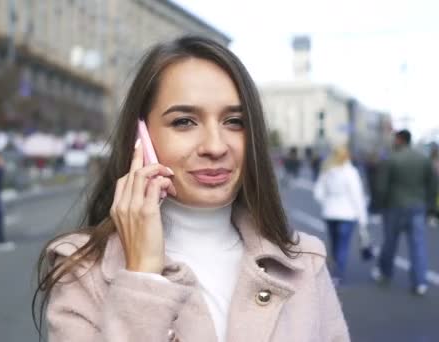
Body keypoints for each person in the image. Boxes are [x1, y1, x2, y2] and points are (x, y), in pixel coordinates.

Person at [32, 36, 348, 341]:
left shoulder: (305, 262)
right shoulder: (83, 271)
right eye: (184, 121)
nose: (215, 146)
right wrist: (143, 277)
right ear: (141, 136)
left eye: (234, 121)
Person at [372, 130, 437, 296]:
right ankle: (420, 282)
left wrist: (378, 206)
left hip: (394, 206)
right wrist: (429, 206)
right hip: (417, 206)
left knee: (390, 243)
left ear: (400, 140)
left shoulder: (392, 159)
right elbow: (432, 184)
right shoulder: (423, 159)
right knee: (418, 245)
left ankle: (385, 272)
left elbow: (381, 187)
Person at [314, 146, 369, 285]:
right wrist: (363, 219)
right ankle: (338, 275)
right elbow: (357, 196)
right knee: (343, 246)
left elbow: (318, 193)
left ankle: (333, 273)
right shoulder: (350, 172)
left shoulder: (327, 171)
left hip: (330, 213)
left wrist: (328, 202)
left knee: (334, 244)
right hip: (347, 214)